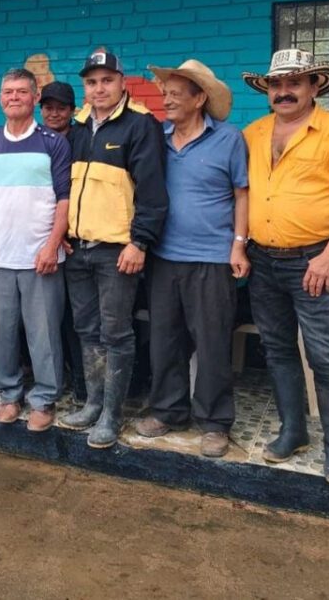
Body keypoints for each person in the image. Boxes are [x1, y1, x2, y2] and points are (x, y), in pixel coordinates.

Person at [242, 49, 329, 485]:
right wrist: (239, 246)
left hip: (314, 260)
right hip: (262, 260)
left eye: (294, 83)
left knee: (324, 356)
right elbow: (242, 194)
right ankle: (293, 431)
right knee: (276, 349)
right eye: (276, 85)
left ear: (315, 86)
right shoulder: (253, 133)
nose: (283, 91)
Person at [133, 60, 249, 458]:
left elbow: (241, 194)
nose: (166, 100)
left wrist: (238, 243)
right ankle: (169, 410)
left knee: (213, 342)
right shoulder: (158, 138)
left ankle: (215, 422)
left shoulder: (229, 139)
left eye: (176, 94)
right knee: (165, 339)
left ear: (200, 98)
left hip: (212, 258)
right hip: (164, 256)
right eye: (165, 93)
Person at [59, 49, 168, 449]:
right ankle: (92, 403)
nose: (99, 88)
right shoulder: (79, 127)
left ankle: (111, 414)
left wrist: (139, 241)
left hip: (116, 251)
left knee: (116, 332)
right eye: (91, 82)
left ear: (122, 82)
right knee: (86, 328)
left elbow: (153, 192)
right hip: (78, 248)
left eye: (107, 80)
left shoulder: (140, 126)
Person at [0, 68, 72, 431]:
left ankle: (44, 399)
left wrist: (52, 245)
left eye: (21, 92)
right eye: (8, 91)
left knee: (43, 333)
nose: (14, 97)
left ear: (34, 96)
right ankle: (9, 394)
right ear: (0, 98)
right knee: (1, 332)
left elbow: (64, 200)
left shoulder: (53, 143)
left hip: (40, 258)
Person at [39, 81, 84, 401]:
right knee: (47, 315)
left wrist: (65, 233)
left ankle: (82, 382)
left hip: (77, 241)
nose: (54, 113)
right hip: (44, 241)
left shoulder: (84, 139)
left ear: (72, 110)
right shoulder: (36, 141)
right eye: (48, 107)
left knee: (78, 318)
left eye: (61, 108)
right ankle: (53, 374)